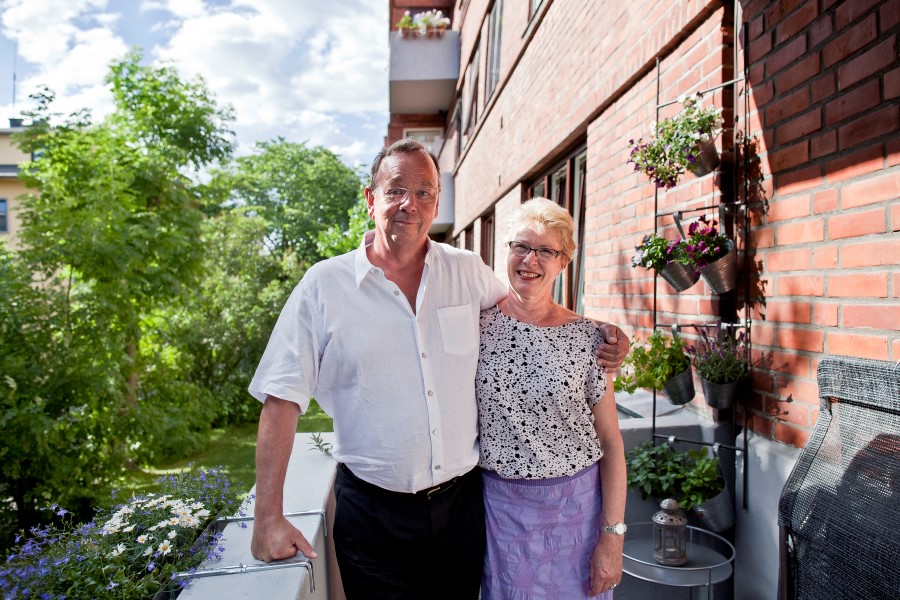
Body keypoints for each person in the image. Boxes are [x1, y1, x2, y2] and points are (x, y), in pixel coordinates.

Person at [247, 139, 628, 599]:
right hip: (373, 515)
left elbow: (531, 310)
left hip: (463, 510)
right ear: (371, 199)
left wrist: (601, 333)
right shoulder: (324, 286)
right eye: (396, 190)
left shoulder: (466, 271)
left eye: (424, 192)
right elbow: (281, 397)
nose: (410, 204)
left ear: (436, 202)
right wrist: (268, 517)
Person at [477, 197, 627, 599]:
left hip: (576, 514)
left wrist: (613, 536)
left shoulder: (590, 339)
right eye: (521, 246)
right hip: (499, 515)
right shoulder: (475, 326)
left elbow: (611, 441)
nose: (530, 260)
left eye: (545, 250)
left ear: (564, 262)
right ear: (507, 251)